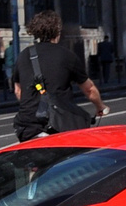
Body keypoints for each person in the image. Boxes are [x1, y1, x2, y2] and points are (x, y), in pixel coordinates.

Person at [11, 10, 109, 141]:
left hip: (26, 127)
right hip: (55, 125)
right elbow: (89, 89)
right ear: (57, 31)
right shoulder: (67, 55)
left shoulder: (23, 55)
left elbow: (18, 91)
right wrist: (100, 107)